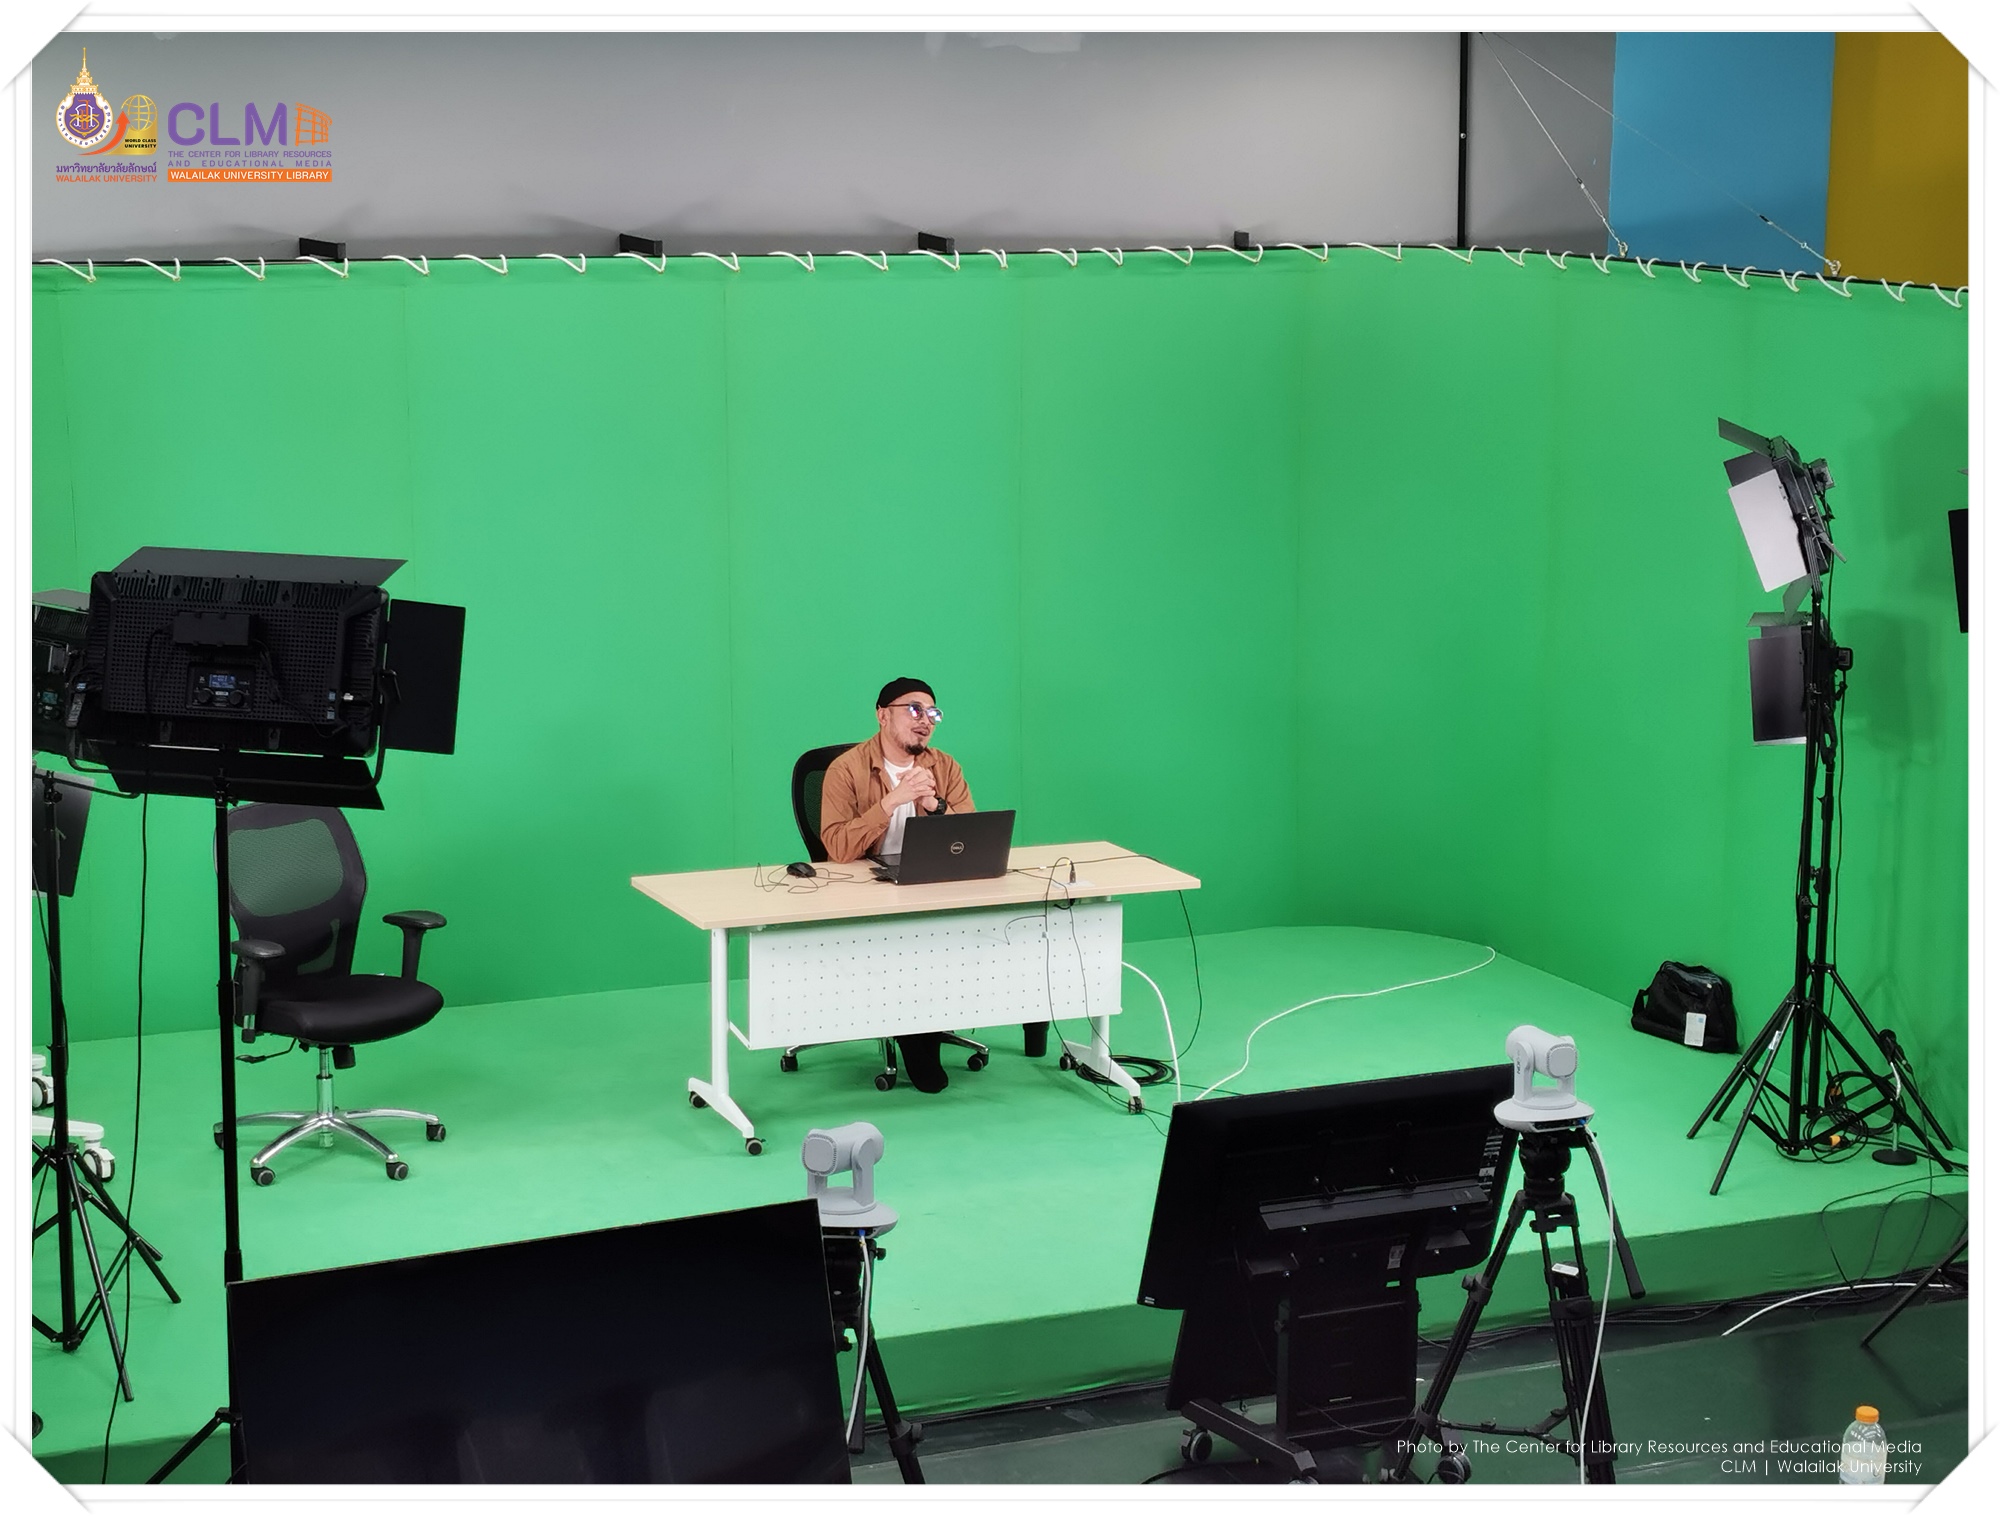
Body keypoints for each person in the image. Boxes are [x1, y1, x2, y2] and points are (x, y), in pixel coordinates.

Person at [817, 678, 1048, 1091]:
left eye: (933, 713)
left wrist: (935, 805)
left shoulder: (945, 766)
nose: (926, 720)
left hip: (933, 883)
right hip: (871, 885)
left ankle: (939, 1021)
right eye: (914, 709)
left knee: (1006, 930)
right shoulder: (845, 769)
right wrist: (891, 801)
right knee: (909, 943)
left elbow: (972, 837)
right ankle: (914, 1034)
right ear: (882, 715)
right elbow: (836, 848)